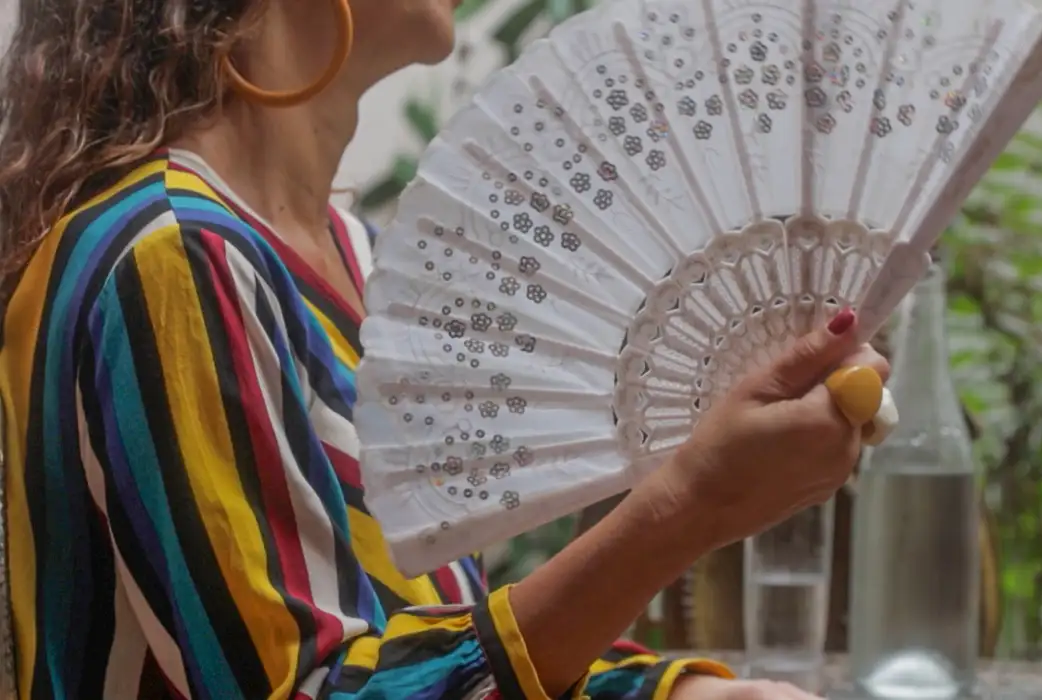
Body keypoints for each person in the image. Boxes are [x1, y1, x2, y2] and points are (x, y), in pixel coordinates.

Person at [0, 0, 890, 698]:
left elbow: (426, 655)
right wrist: (688, 508)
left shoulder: (353, 258)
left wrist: (678, 690)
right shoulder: (173, 254)